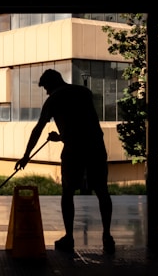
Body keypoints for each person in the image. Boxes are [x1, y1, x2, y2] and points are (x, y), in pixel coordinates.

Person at [15, 69, 115, 254]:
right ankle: (107, 236)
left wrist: (26, 155)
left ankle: (69, 237)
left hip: (74, 150)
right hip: (95, 146)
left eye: (46, 87)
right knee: (102, 191)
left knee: (68, 192)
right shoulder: (84, 93)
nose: (46, 92)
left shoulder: (54, 99)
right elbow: (84, 125)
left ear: (51, 83)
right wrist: (61, 137)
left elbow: (38, 128)